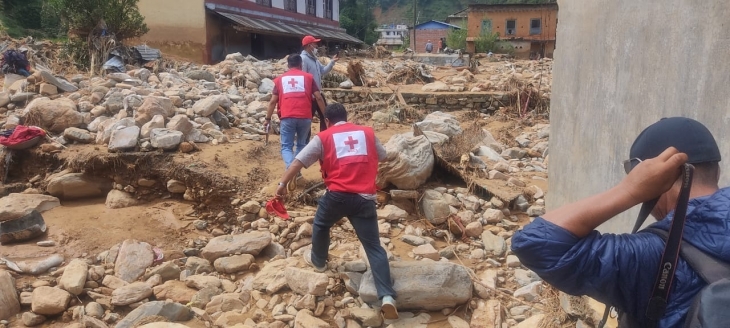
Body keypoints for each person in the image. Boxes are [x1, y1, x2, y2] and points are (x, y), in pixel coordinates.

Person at [511, 117, 729, 327]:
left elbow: (536, 243)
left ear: (659, 178)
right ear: (717, 171)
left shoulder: (653, 256)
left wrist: (629, 190)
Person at [274, 103, 399, 320]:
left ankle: (319, 262)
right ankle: (387, 297)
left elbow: (299, 161)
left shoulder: (324, 137)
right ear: (346, 116)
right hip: (364, 199)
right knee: (373, 247)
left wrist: (282, 184)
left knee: (322, 225)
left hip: (337, 197)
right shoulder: (367, 133)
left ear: (328, 121)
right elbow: (384, 156)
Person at [266, 54, 327, 171]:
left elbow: (273, 101)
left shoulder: (280, 79)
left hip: (287, 116)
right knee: (301, 145)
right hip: (305, 116)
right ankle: (295, 171)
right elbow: (319, 98)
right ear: (301, 65)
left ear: (288, 65)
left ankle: (291, 170)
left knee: (286, 147)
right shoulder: (308, 78)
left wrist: (267, 119)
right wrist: (325, 116)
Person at [301, 35, 339, 136]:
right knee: (308, 119)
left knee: (325, 116)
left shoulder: (314, 59)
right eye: (315, 44)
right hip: (310, 96)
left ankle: (324, 137)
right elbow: (302, 77)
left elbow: (322, 71)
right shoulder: (303, 59)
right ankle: (305, 141)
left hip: (318, 94)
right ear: (309, 46)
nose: (317, 46)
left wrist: (331, 62)